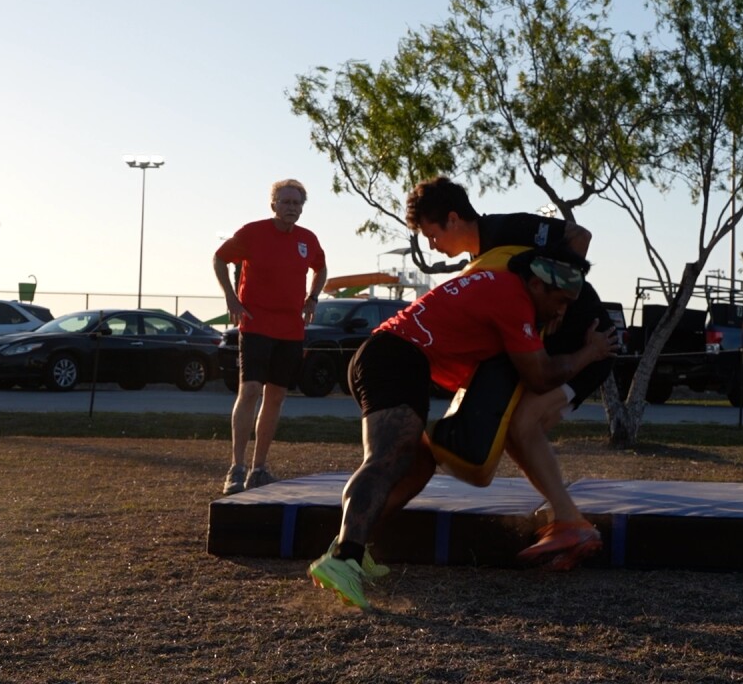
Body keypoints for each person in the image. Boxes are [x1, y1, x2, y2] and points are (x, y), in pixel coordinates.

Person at [308, 247, 617, 609]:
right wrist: (590, 353)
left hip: (399, 357)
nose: (562, 311)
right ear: (536, 284)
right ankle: (343, 558)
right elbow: (539, 377)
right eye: (559, 300)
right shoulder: (512, 298)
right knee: (385, 459)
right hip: (393, 355)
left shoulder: (507, 288)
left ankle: (353, 547)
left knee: (419, 465)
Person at [404, 177, 613, 567]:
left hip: (590, 340)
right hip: (552, 354)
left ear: (452, 219)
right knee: (514, 428)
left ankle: (571, 522)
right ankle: (565, 517)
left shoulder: (505, 229)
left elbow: (579, 236)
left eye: (431, 235)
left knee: (521, 425)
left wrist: (559, 302)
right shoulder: (478, 265)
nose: (432, 245)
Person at [212, 179, 327, 495]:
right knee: (249, 390)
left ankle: (258, 469)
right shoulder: (253, 233)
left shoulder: (307, 239)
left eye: (297, 203)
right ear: (273, 204)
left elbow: (321, 267)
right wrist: (231, 298)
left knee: (276, 396)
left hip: (291, 328)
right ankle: (236, 467)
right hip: (255, 324)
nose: (292, 207)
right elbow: (219, 258)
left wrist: (313, 297)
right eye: (286, 201)